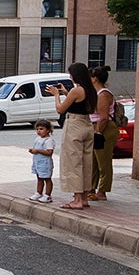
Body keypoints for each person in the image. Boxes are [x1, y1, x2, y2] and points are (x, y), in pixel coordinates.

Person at [49, 62, 98, 209]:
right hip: (87, 125)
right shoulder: (91, 89)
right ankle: (84, 197)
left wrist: (56, 95)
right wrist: (65, 92)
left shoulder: (76, 91)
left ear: (75, 75)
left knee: (73, 162)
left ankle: (76, 199)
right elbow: (79, 102)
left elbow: (60, 109)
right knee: (86, 161)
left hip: (74, 124)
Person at [88, 65, 119, 201]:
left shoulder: (104, 94)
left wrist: (97, 132)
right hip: (95, 126)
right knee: (93, 160)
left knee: (103, 161)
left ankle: (103, 190)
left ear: (94, 79)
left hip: (103, 128)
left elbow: (104, 117)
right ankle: (91, 188)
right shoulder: (95, 93)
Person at [28, 120, 55, 202]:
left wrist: (38, 151)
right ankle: (38, 192)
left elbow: (49, 152)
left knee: (47, 178)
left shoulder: (49, 140)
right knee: (39, 178)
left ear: (48, 130)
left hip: (45, 163)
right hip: (37, 163)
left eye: (41, 129)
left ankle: (48, 195)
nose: (39, 131)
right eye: (37, 129)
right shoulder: (37, 139)